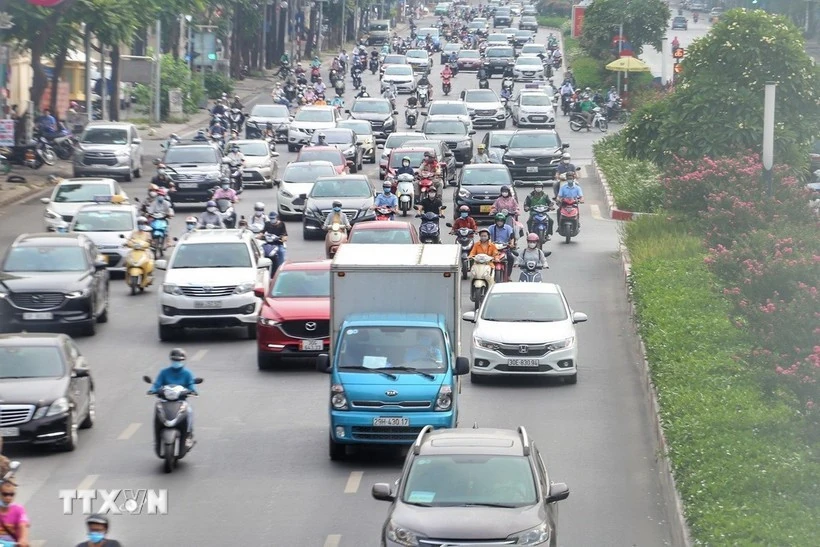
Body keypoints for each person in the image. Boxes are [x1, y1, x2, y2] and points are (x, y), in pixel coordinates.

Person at [148, 348, 197, 448]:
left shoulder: (187, 374)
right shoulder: (164, 372)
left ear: (183, 361)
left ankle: (188, 435)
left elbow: (191, 385)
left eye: (179, 360)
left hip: (181, 401)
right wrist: (152, 390)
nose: (177, 362)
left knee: (190, 411)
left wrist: (193, 391)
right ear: (171, 360)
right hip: (165, 401)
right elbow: (157, 384)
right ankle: (156, 439)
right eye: (175, 360)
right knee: (157, 411)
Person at [0, 479, 30, 547]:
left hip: (14, 543)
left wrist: (23, 539)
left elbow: (23, 524)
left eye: (11, 494)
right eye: (5, 494)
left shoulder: (19, 509)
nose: (8, 497)